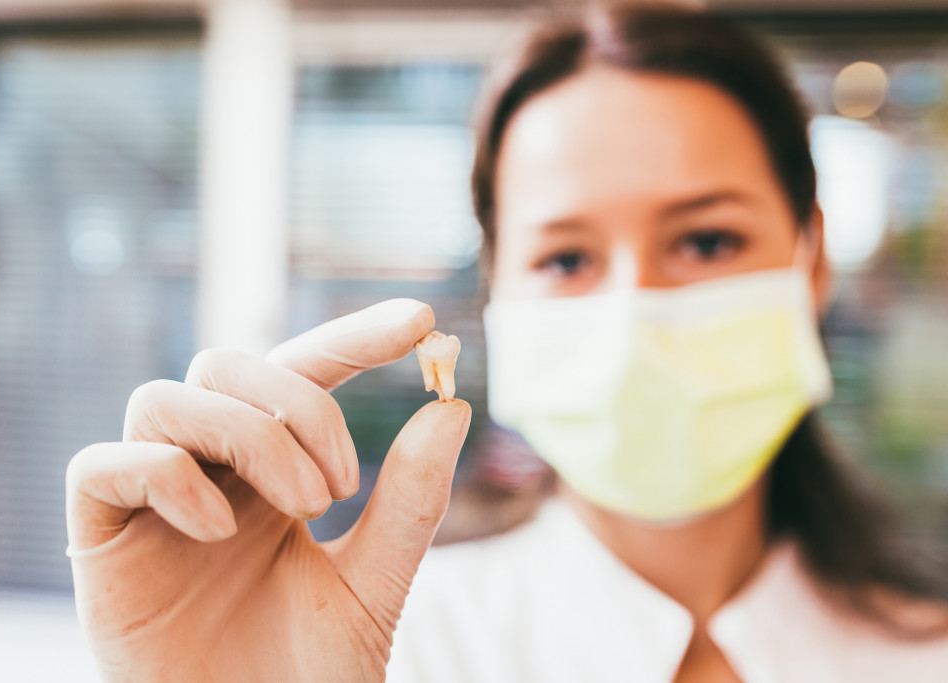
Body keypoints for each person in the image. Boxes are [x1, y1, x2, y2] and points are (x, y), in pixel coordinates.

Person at [65, 3, 948, 681]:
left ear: (814, 258)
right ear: (498, 292)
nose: (632, 311)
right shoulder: (392, 650)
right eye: (566, 256)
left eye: (707, 241)